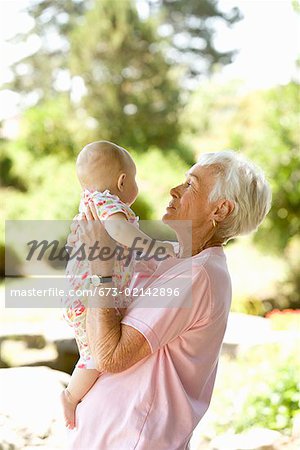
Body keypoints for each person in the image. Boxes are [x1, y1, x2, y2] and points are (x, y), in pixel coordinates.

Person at [66, 150, 272, 450]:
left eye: (191, 185)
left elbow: (110, 356)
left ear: (221, 209)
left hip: (131, 437)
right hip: (109, 433)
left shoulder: (198, 276)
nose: (174, 190)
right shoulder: (173, 258)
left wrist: (100, 264)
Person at [60, 141, 175, 429]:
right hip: (89, 298)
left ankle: (77, 394)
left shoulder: (92, 201)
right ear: (123, 181)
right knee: (95, 356)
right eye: (135, 179)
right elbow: (119, 231)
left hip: (82, 295)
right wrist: (154, 246)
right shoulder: (108, 204)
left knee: (92, 352)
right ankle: (71, 396)